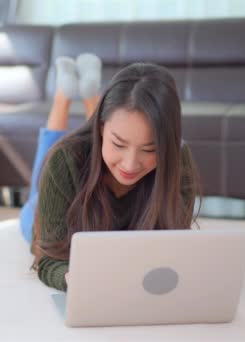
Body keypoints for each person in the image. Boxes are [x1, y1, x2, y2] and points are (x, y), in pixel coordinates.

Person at [19, 54, 201, 292]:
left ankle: (86, 97)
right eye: (118, 144)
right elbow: (46, 257)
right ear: (102, 127)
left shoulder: (178, 160)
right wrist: (70, 277)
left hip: (90, 153)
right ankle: (63, 98)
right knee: (41, 183)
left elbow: (172, 248)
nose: (130, 164)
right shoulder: (64, 161)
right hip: (45, 205)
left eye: (150, 149)